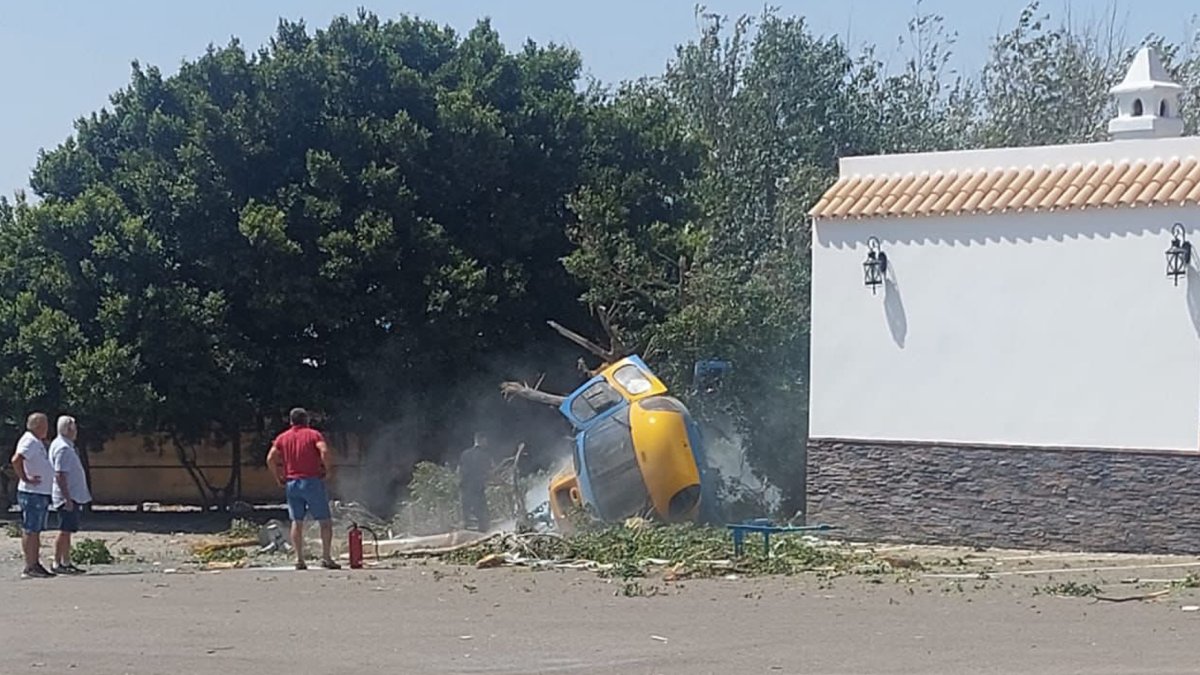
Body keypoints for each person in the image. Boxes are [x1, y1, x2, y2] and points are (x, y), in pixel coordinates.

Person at [266, 407, 340, 570]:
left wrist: (278, 476)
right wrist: (328, 470)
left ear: (291, 421)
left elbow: (270, 458)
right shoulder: (313, 435)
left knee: (296, 522)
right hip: (312, 481)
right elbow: (324, 451)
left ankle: (299, 559)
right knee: (325, 521)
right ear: (306, 420)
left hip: (292, 483)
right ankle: (326, 557)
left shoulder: (282, 438)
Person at [11, 412, 54, 578]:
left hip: (39, 492)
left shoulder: (36, 441)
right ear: (37, 426)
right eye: (44, 425)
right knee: (31, 528)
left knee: (35, 529)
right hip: (32, 492)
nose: (46, 428)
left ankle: (34, 563)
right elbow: (16, 459)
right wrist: (25, 478)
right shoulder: (29, 440)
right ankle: (31, 565)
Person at [49, 415, 90, 575]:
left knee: (68, 530)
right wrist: (66, 498)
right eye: (74, 428)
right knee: (64, 529)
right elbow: (60, 474)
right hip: (68, 496)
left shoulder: (65, 445)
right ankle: (57, 562)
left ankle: (66, 561)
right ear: (68, 429)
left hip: (71, 494)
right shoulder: (63, 448)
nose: (76, 431)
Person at [459, 432, 491, 532]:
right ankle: (482, 537)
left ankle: (466, 535)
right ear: (481, 440)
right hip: (477, 489)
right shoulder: (484, 455)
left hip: (465, 489)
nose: (487, 443)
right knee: (482, 515)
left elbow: (460, 471)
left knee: (467, 514)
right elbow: (488, 472)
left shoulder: (465, 454)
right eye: (486, 441)